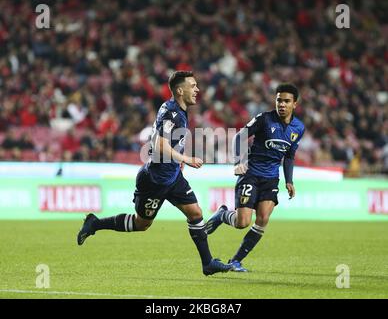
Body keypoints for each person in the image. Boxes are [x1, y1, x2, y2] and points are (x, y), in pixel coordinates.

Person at [77, 71, 232, 276]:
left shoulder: (177, 109)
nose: (197, 90)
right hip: (154, 180)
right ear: (180, 90)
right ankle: (94, 223)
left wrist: (179, 160)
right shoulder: (172, 113)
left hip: (172, 176)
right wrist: (185, 159)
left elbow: (173, 140)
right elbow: (160, 144)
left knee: (195, 213)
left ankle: (208, 263)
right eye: (193, 86)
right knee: (142, 224)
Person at [206, 83, 305, 272]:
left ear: (295, 104)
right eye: (279, 100)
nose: (282, 104)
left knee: (263, 219)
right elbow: (239, 137)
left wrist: (289, 180)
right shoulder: (264, 119)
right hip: (251, 174)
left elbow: (289, 156)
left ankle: (235, 261)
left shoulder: (298, 128)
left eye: (286, 101)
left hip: (271, 179)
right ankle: (222, 215)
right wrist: (238, 162)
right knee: (242, 222)